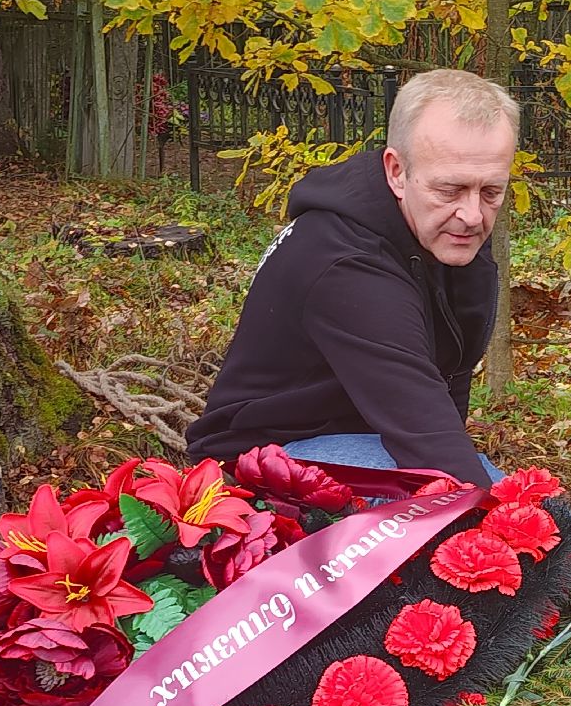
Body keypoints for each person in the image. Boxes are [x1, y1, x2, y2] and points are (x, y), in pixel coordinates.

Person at [186, 69, 519, 487]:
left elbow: (447, 384)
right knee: (495, 501)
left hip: (366, 436)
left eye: (491, 192)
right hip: (260, 460)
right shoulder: (345, 264)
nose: (472, 215)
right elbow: (426, 435)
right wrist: (497, 517)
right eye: (450, 189)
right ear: (396, 171)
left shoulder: (442, 230)